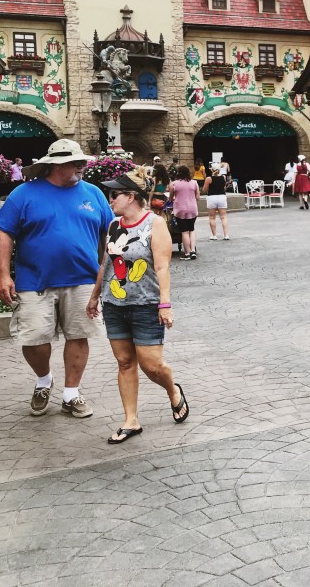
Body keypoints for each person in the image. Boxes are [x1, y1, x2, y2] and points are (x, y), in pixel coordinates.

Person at [0, 139, 114, 419]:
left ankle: (71, 393)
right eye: (77, 162)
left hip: (83, 279)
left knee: (79, 334)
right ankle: (44, 380)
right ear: (57, 165)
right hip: (34, 281)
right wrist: (3, 275)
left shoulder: (93, 193)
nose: (83, 166)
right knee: (33, 339)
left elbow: (110, 233)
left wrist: (104, 272)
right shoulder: (24, 194)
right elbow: (4, 234)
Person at [88, 168, 189, 444]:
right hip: (115, 304)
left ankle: (173, 390)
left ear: (131, 196)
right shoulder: (113, 225)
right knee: (124, 362)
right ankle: (130, 420)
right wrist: (96, 295)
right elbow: (106, 263)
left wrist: (165, 304)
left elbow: (162, 266)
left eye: (114, 195)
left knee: (152, 365)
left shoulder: (154, 223)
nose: (110, 200)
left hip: (146, 304)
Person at [168, 165, 200, 260]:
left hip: (180, 209)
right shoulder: (194, 183)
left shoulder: (174, 184)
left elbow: (171, 197)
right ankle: (193, 250)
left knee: (184, 232)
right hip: (192, 209)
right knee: (192, 230)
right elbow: (197, 197)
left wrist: (174, 199)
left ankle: (187, 253)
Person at [203, 164, 230, 240]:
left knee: (212, 217)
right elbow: (223, 187)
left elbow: (204, 190)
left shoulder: (209, 179)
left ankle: (214, 235)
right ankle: (226, 235)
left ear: (211, 169)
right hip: (222, 197)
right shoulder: (223, 177)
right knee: (223, 217)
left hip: (212, 197)